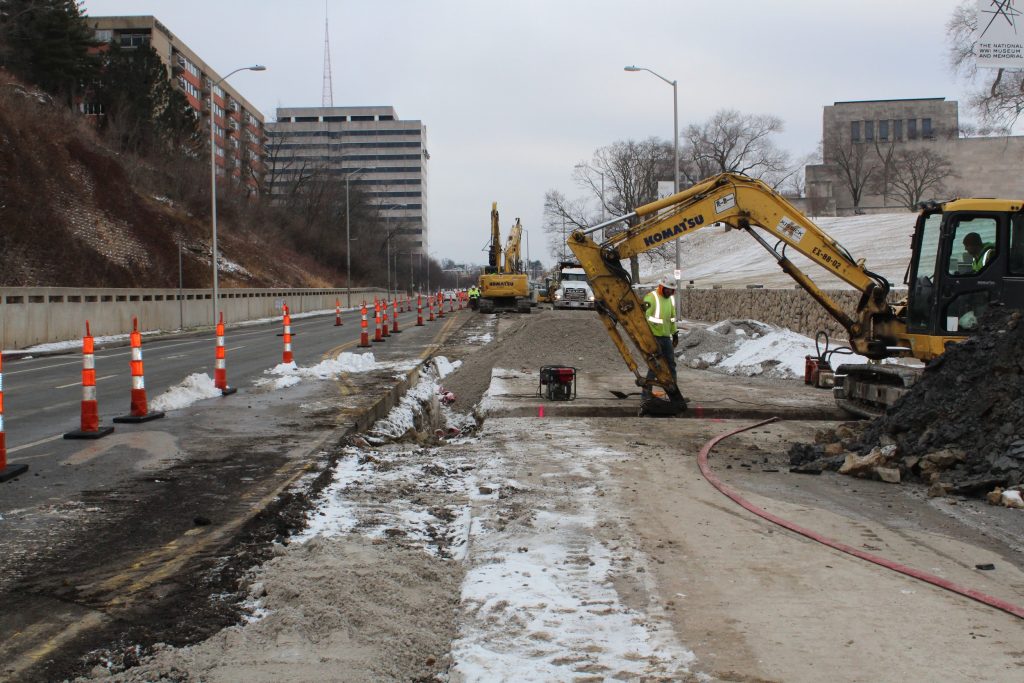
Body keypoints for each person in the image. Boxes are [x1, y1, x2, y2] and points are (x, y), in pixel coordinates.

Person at [641, 275, 679, 402]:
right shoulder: (651, 297)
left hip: (666, 337)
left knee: (671, 365)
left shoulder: (670, 300)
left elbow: (672, 318)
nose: (669, 291)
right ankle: (646, 393)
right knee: (655, 366)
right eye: (667, 289)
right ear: (661, 287)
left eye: (671, 290)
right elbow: (643, 318)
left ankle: (674, 393)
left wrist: (674, 333)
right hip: (654, 337)